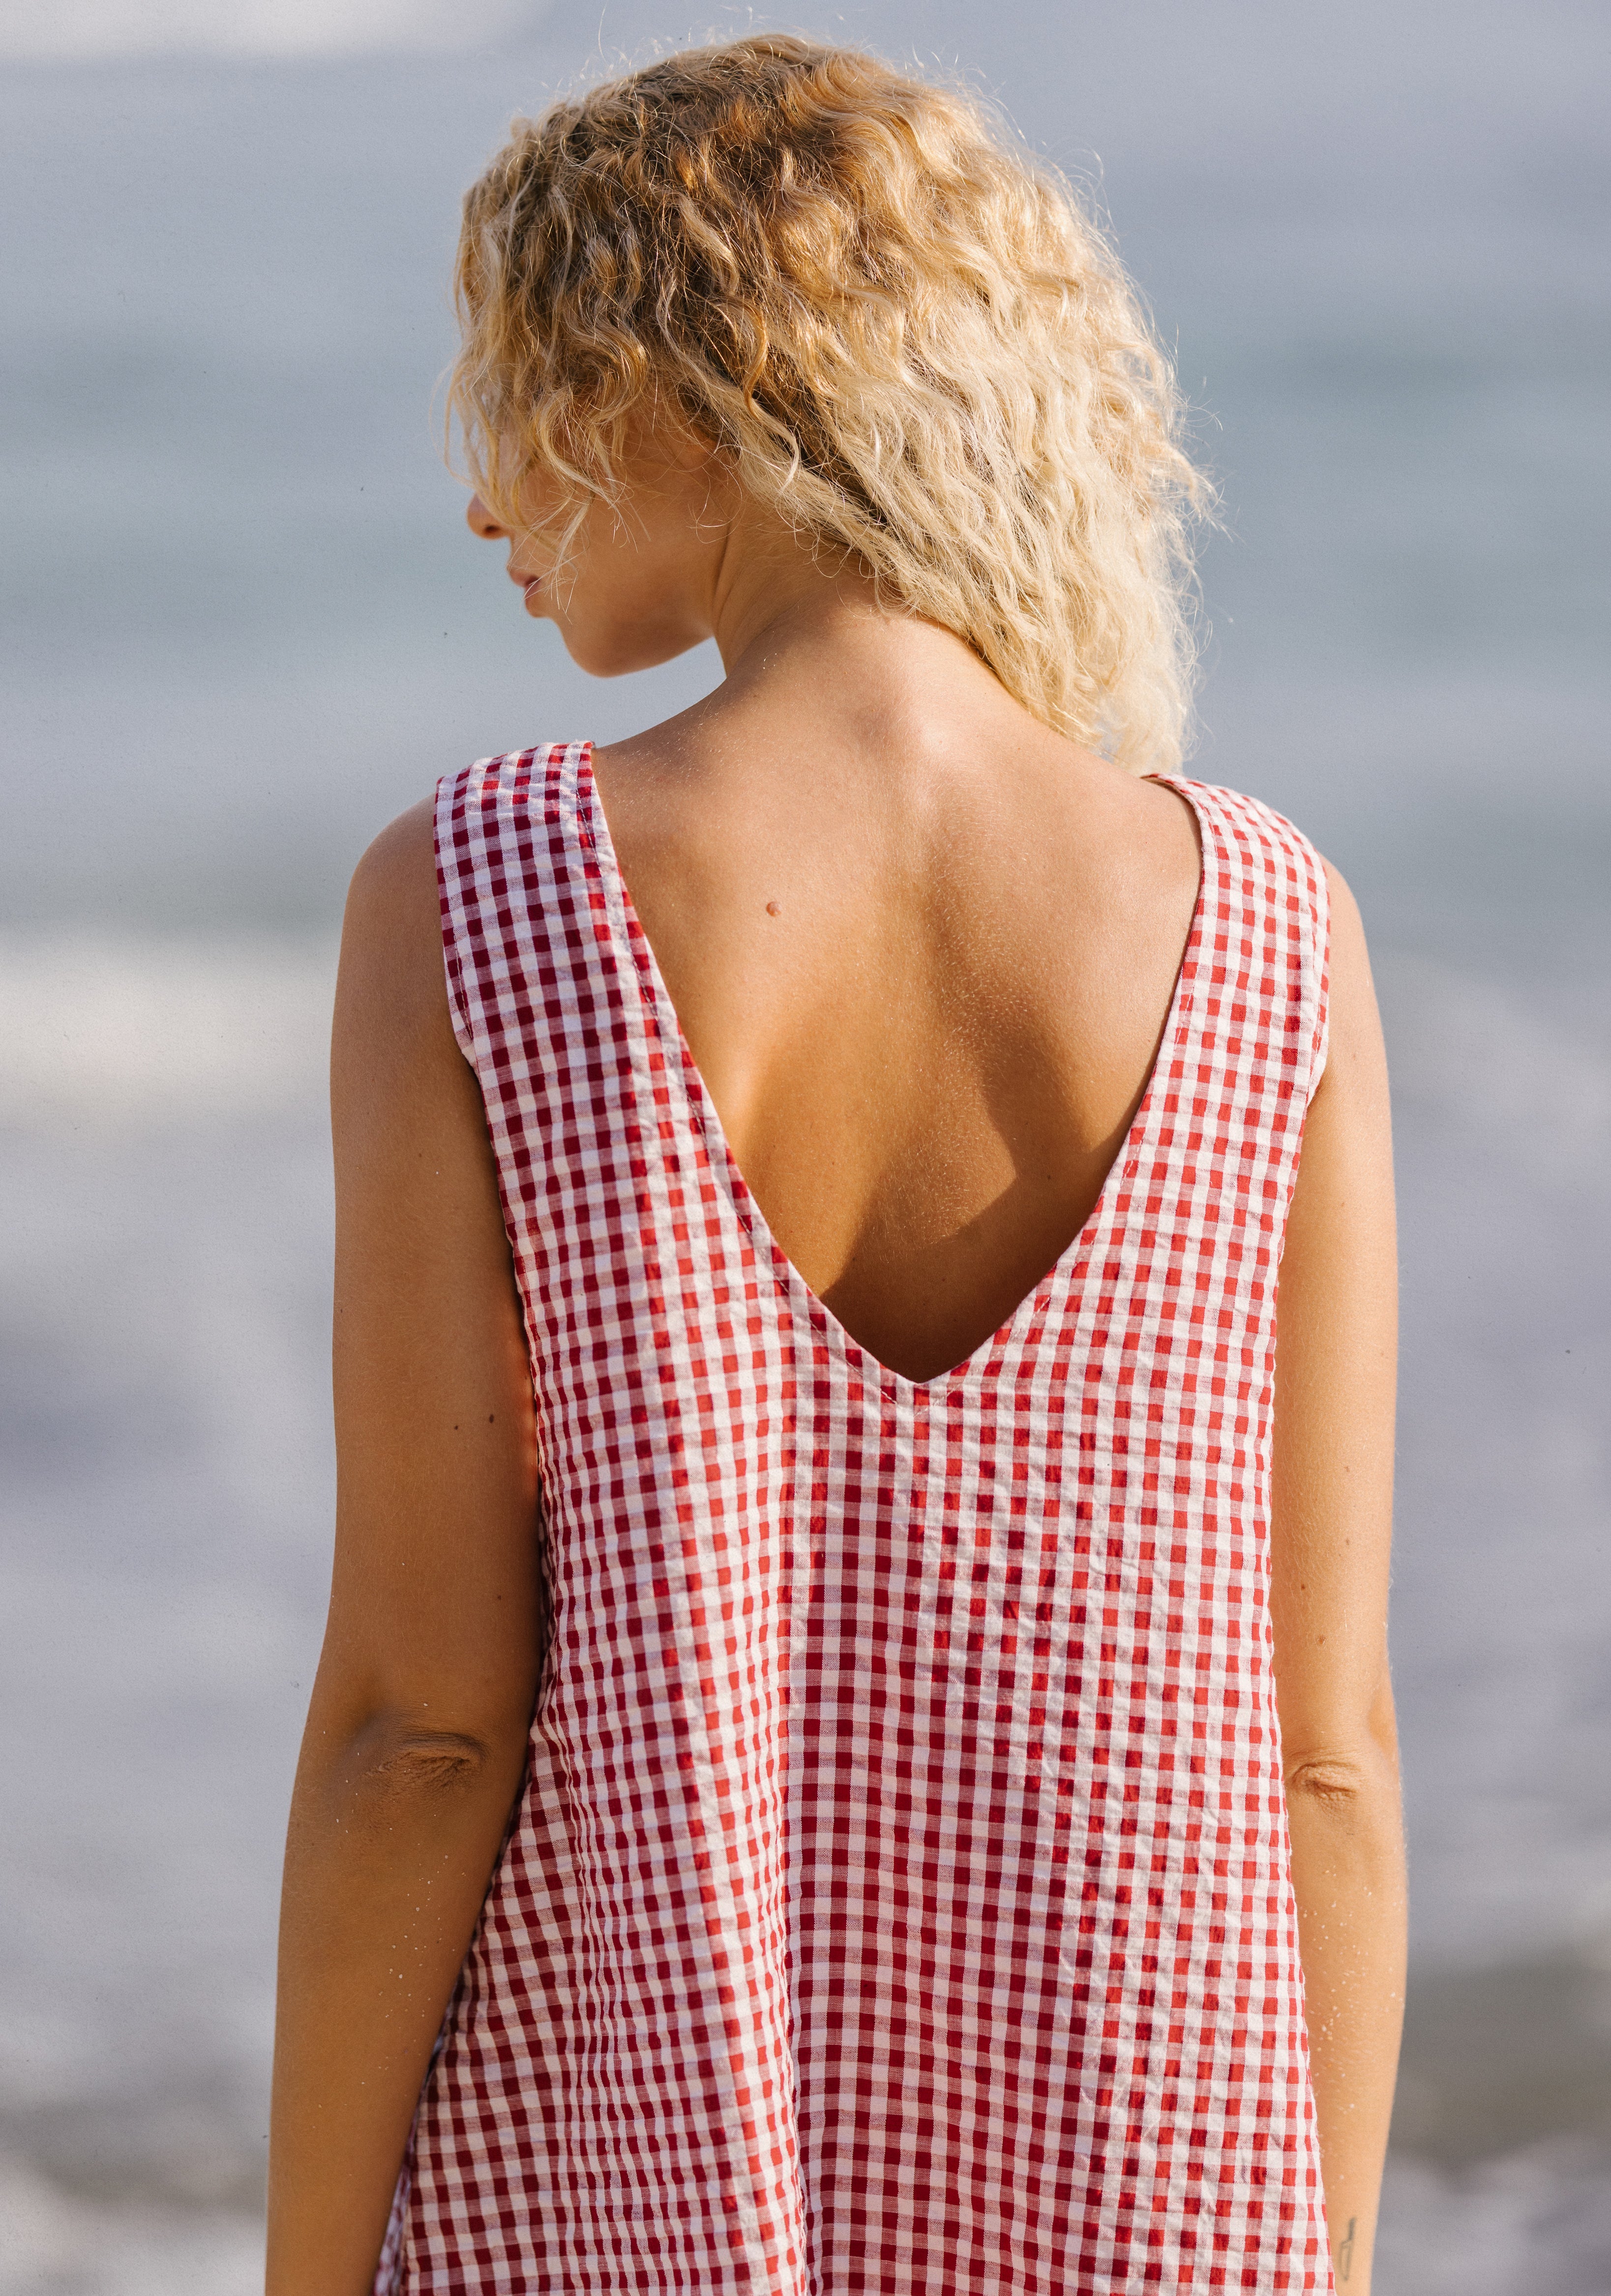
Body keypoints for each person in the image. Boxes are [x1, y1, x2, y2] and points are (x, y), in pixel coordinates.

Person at [266, 36, 1404, 2296]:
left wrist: (305, 2271)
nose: (485, 495)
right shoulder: (1275, 923)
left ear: (693, 394)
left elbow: (424, 1726)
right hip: (1149, 2209)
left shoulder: (490, 892)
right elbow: (1329, 1761)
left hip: (620, 2213)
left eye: (516, 387)